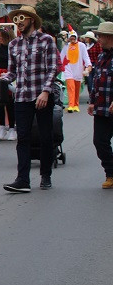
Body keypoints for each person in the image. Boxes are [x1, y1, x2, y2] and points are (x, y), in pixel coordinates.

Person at [1, 5, 58, 192]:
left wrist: (46, 91)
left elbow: (53, 69)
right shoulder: (13, 44)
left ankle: (45, 175)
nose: (19, 22)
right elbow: (12, 72)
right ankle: (22, 179)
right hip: (22, 96)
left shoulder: (46, 40)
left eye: (22, 18)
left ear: (31, 19)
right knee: (22, 137)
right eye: (16, 19)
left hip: (42, 95)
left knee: (45, 136)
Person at [88, 22, 113, 189]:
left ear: (109, 37)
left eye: (101, 36)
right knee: (99, 141)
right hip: (101, 107)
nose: (98, 39)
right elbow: (96, 81)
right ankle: (110, 173)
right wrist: (91, 101)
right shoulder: (101, 57)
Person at [60, 30, 91, 112]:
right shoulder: (66, 46)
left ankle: (76, 105)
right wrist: (59, 65)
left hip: (78, 69)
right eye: (71, 38)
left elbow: (85, 56)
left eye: (74, 38)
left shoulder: (81, 46)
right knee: (71, 87)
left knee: (77, 88)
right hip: (68, 69)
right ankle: (71, 105)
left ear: (76, 37)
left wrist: (88, 65)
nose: (72, 39)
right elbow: (61, 56)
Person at [85, 31, 102, 98]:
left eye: (87, 37)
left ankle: (96, 96)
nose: (85, 39)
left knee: (95, 81)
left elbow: (100, 54)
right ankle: (91, 97)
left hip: (95, 64)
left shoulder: (97, 45)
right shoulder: (85, 45)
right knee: (89, 82)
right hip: (88, 65)